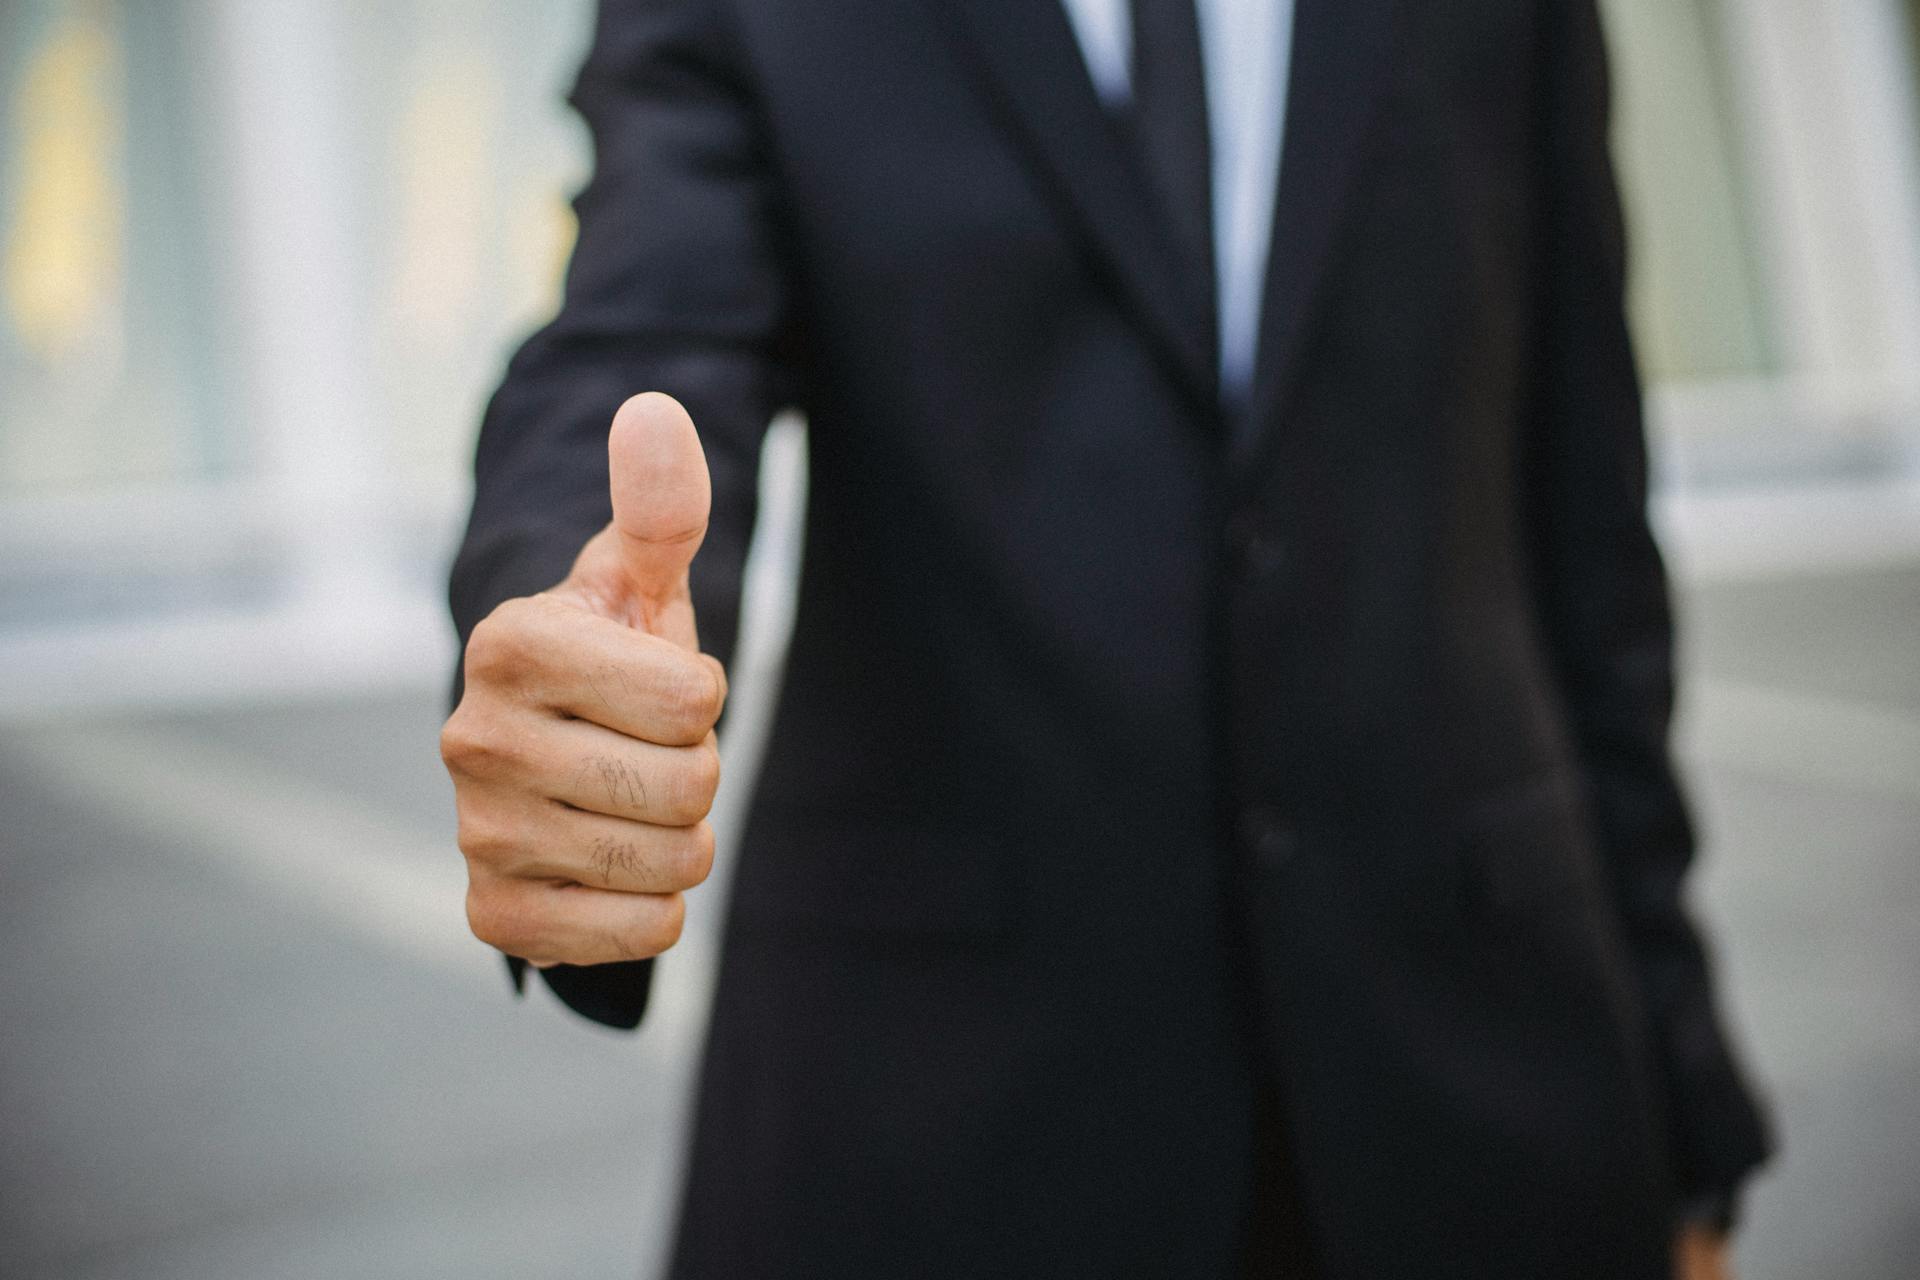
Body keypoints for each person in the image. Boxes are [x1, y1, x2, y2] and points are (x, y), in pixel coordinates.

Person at [441, 1, 1772, 1276]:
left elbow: (1587, 532)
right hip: (945, 1134)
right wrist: (573, 625)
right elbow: (635, 326)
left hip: (1492, 1104)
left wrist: (1685, 1105)